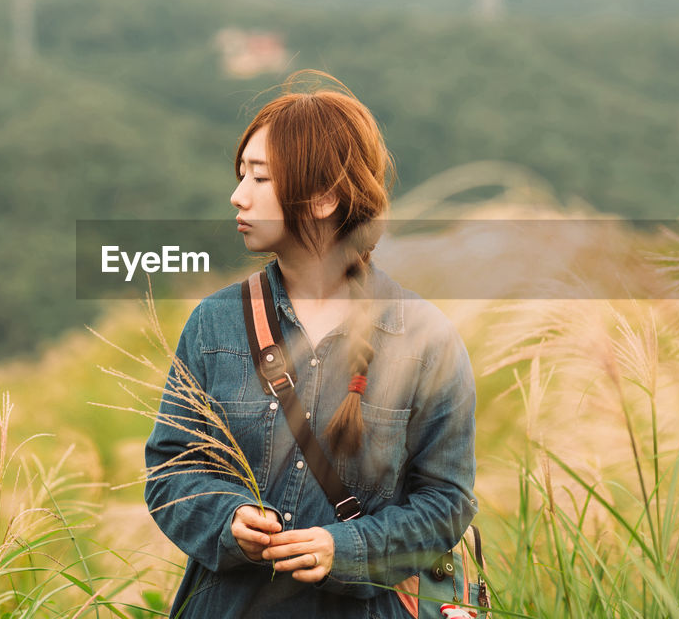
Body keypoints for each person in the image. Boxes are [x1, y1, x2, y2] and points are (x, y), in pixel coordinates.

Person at [144, 71, 477, 618]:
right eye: (240, 175)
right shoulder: (215, 323)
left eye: (259, 178)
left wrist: (343, 549)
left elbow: (446, 502)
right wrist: (228, 520)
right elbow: (171, 469)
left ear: (323, 199)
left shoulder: (425, 340)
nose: (237, 195)